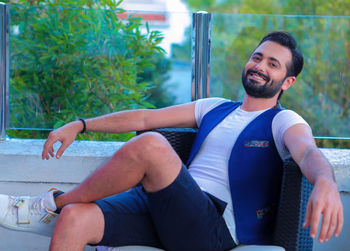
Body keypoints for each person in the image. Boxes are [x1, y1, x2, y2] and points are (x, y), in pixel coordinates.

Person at [0, 31, 343, 251]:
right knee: (76, 218)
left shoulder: (284, 119)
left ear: (287, 82)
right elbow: (145, 117)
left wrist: (325, 181)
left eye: (273, 64)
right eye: (257, 57)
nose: (260, 66)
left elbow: (308, 152)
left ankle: (48, 206)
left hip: (213, 228)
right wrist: (81, 123)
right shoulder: (214, 108)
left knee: (151, 145)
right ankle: (63, 208)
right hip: (166, 209)